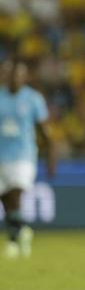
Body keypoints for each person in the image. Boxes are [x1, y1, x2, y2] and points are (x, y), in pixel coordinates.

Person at [0, 60, 55, 258]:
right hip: (1, 156)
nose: (13, 77)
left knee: (15, 193)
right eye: (9, 73)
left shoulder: (33, 99)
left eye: (17, 74)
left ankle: (13, 243)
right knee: (6, 200)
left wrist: (51, 158)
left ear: (24, 77)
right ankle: (22, 231)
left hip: (23, 155)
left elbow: (44, 131)